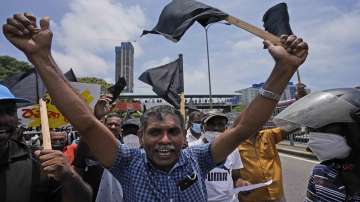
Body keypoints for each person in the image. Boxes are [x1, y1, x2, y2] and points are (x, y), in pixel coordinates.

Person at [2, 13, 308, 201]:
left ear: (184, 135)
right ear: (142, 138)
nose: (165, 140)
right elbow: (85, 123)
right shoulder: (126, 162)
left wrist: (282, 71)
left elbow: (244, 127)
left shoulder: (199, 158)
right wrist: (40, 57)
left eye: (173, 132)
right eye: (155, 132)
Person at [0, 84, 92, 202]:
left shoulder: (38, 162)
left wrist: (69, 175)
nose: (3, 120)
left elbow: (84, 199)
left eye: (10, 111)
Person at [273, 88, 360, 202]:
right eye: (313, 130)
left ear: (355, 132)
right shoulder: (320, 172)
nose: (311, 144)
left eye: (326, 129)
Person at [190, 112, 245, 202]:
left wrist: (241, 183)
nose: (216, 128)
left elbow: (236, 177)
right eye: (211, 124)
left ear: (225, 128)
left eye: (220, 124)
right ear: (203, 127)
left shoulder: (232, 149)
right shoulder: (191, 148)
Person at [237, 126, 288, 202]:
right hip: (252, 197)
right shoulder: (235, 142)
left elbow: (288, 128)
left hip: (276, 195)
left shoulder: (268, 135)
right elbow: (229, 169)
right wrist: (238, 182)